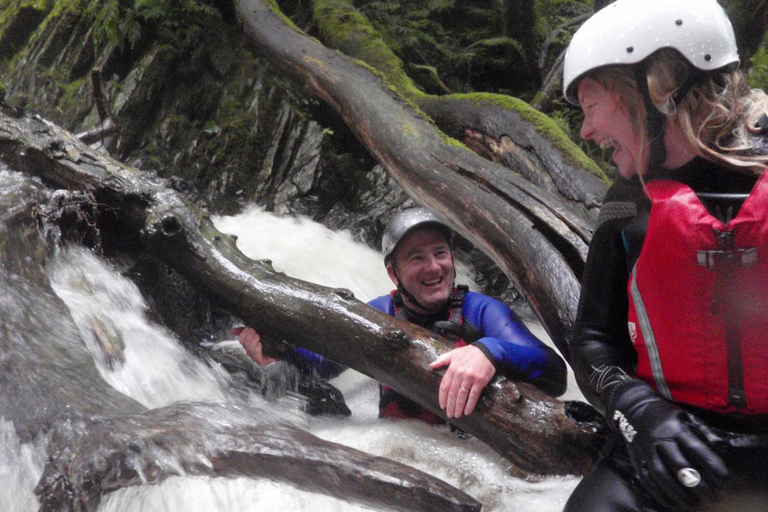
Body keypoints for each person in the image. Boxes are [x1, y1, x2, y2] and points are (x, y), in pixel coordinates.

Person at [560, 0, 768, 511]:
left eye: (591, 107)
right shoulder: (626, 204)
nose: (585, 131)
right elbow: (593, 340)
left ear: (657, 89)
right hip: (666, 442)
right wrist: (639, 411)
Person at [235, 206, 567, 425]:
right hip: (404, 451)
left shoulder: (481, 311)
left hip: (477, 458)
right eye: (417, 258)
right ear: (394, 274)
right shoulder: (381, 313)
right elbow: (322, 363)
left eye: (440, 253)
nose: (434, 267)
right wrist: (276, 350)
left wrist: (489, 352)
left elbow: (554, 373)